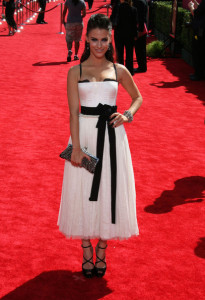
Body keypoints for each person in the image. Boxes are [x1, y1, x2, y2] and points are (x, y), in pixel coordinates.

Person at [58, 14, 142, 278]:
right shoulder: (76, 71)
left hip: (113, 137)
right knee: (83, 190)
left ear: (110, 38)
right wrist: (78, 148)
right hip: (84, 136)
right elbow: (73, 113)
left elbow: (138, 97)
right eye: (94, 39)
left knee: (109, 189)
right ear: (86, 39)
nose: (99, 45)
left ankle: (103, 247)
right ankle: (86, 246)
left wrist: (127, 114)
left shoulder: (119, 70)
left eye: (104, 39)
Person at [112, 0, 138, 75]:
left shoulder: (117, 7)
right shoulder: (133, 9)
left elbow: (112, 19)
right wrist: (135, 35)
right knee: (129, 53)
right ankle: (129, 71)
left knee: (119, 53)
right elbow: (135, 23)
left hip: (119, 34)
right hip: (130, 35)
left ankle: (120, 71)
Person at [188, 0, 205, 81]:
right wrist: (197, 4)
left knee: (198, 53)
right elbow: (201, 11)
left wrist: (191, 7)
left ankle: (198, 74)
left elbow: (196, 14)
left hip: (201, 32)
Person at [133, 0, 148, 73]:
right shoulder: (142, 1)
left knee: (140, 48)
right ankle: (142, 66)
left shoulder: (139, 2)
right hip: (141, 26)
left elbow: (140, 17)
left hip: (140, 27)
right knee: (140, 48)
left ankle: (142, 67)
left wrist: (140, 30)